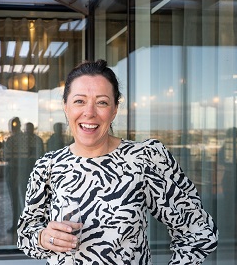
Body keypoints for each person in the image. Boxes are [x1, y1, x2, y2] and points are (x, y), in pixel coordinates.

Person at [17, 60, 218, 264]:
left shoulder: (144, 159)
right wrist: (43, 238)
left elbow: (199, 232)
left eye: (102, 102)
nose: (89, 112)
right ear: (66, 107)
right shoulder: (48, 166)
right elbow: (25, 235)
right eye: (79, 101)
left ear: (114, 110)